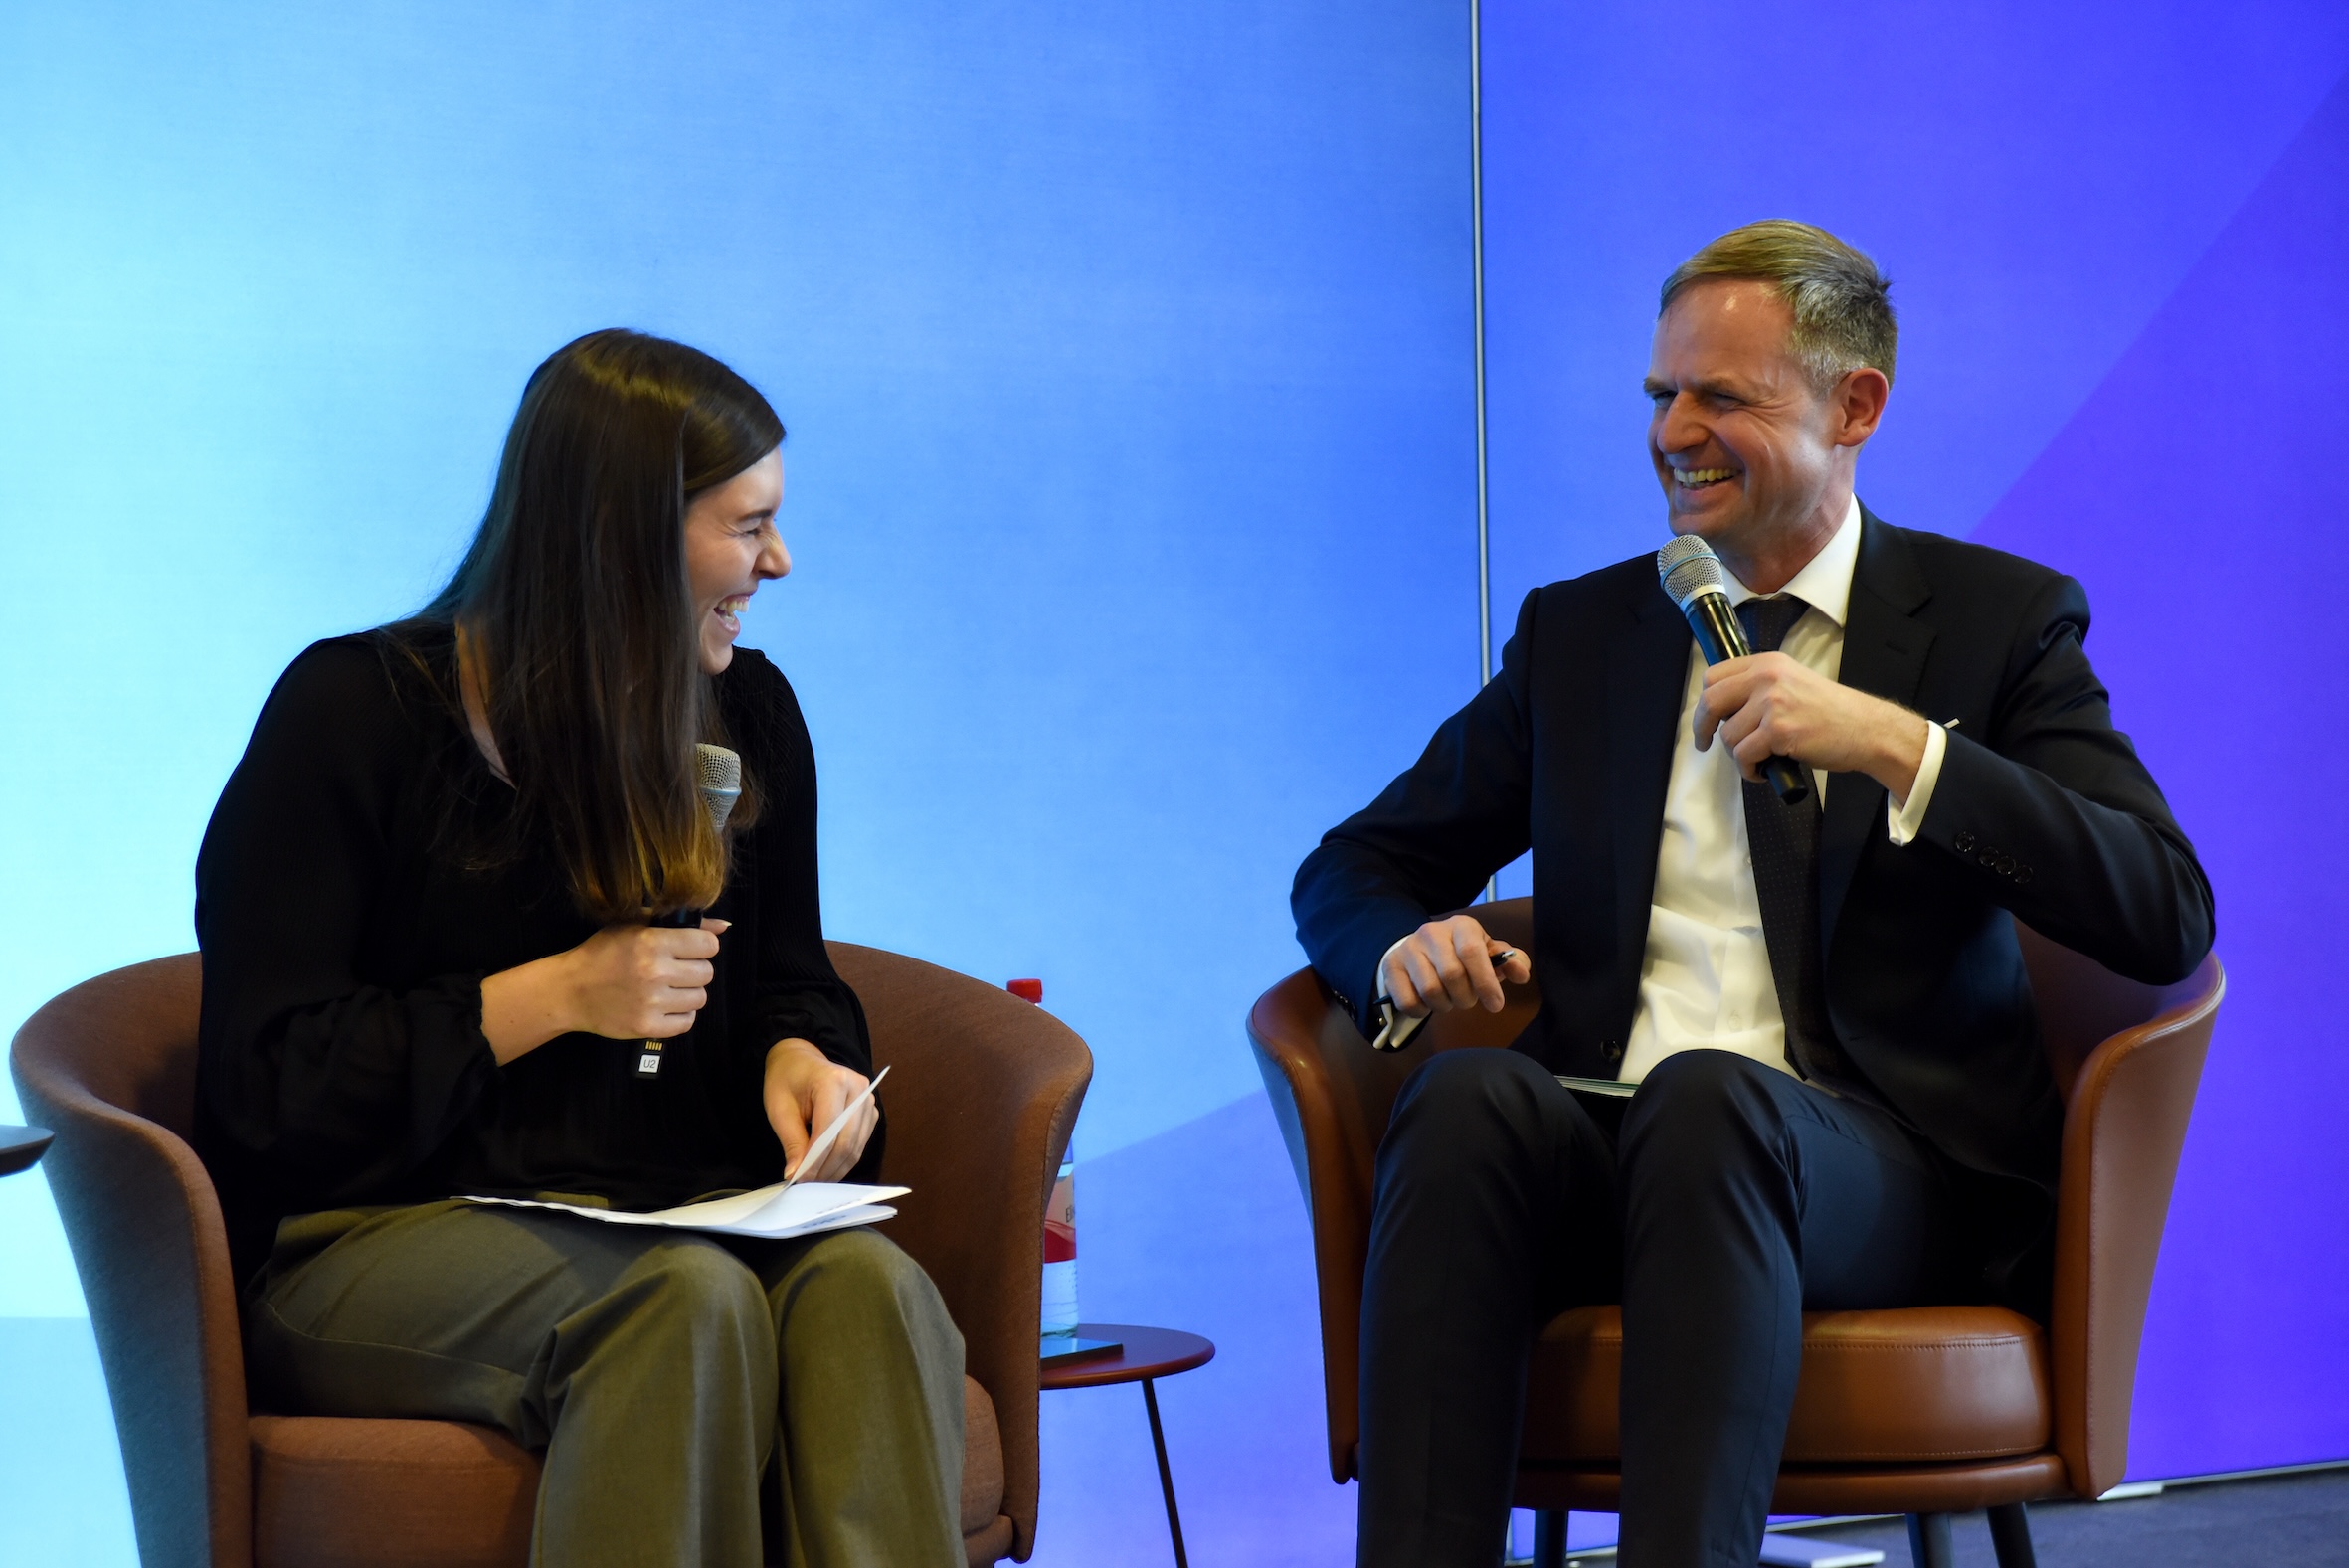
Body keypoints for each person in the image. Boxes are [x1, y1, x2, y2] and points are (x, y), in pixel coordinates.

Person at [1290, 221, 2215, 1568]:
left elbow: (2161, 909)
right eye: (1660, 393)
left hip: (1874, 1167)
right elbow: (1355, 864)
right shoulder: (1584, 635)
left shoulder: (1995, 623)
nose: (1674, 432)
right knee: (1464, 1096)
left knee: (1712, 1101)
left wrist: (1896, 744)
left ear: (1854, 406)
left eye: (1721, 396)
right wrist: (1395, 948)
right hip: (1607, 1139)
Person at [193, 329, 968, 1567]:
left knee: (866, 1285)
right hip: (371, 1233)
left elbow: (792, 978)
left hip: (674, 1214)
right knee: (679, 1297)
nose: (778, 559)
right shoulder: (351, 713)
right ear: (624, 535)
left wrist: (801, 1057)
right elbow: (266, 1082)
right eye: (747, 524)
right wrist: (554, 993)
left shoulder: (749, 715)